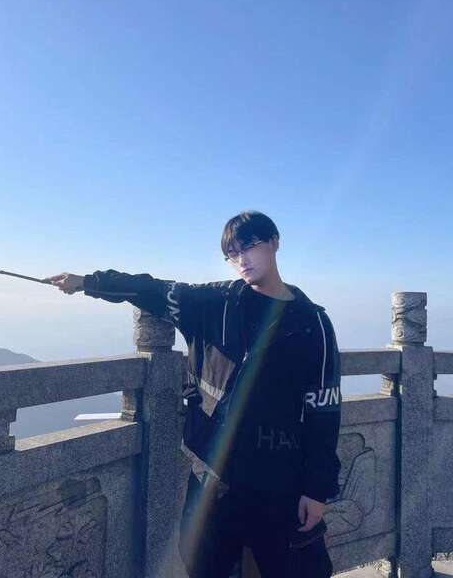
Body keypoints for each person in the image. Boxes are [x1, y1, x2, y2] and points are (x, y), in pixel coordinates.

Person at [43, 210, 341, 577]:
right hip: (212, 477)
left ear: (274, 243)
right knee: (202, 565)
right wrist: (89, 282)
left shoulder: (312, 323)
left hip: (280, 478)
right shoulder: (215, 304)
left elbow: (324, 411)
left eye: (249, 246)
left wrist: (316, 489)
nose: (242, 260)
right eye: (232, 254)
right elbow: (153, 290)